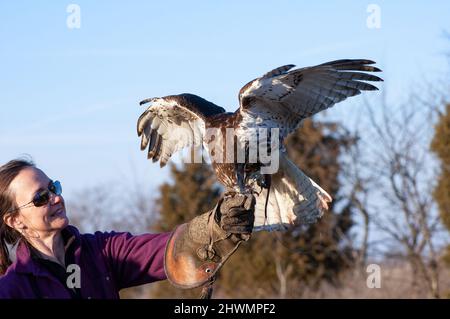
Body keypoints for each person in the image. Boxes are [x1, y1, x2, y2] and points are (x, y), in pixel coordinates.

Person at [0, 159, 255, 299]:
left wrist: (214, 227)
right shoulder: (13, 288)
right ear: (14, 220)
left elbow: (167, 250)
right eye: (41, 198)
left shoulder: (100, 252)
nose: (55, 198)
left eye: (53, 188)